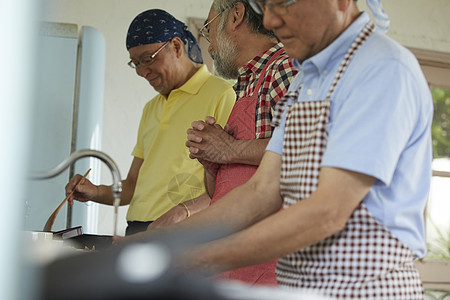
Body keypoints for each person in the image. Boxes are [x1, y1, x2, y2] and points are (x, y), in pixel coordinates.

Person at [139, 0, 433, 298]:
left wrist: (193, 257)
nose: (269, 19)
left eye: (281, 4)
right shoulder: (306, 79)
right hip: (300, 288)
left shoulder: (381, 68)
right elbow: (260, 192)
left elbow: (328, 212)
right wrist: (164, 240)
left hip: (363, 289)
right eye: (265, 6)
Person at [65, 9, 235, 236]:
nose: (141, 72)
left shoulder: (222, 94)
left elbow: (232, 184)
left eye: (147, 59)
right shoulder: (151, 108)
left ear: (176, 46)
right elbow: (132, 185)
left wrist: (182, 212)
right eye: (135, 63)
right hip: (137, 229)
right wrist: (95, 192)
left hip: (185, 230)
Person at [177, 0, 297, 286]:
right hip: (234, 260)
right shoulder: (245, 85)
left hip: (269, 267)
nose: (210, 45)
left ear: (236, 15)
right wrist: (213, 163)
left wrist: (230, 150)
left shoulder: (284, 68)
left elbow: (302, 153)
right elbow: (223, 191)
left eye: (208, 29)